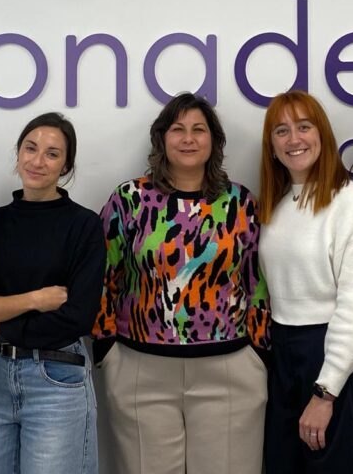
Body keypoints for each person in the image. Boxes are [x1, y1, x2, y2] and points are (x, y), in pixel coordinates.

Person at [92, 92, 270, 474]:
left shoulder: (240, 202)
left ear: (214, 140)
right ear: (162, 138)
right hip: (141, 368)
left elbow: (257, 280)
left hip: (229, 368)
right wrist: (106, 347)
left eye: (198, 130)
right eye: (178, 129)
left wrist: (260, 351)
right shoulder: (130, 199)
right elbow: (104, 274)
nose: (188, 139)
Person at [0, 112, 104, 474]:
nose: (38, 161)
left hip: (57, 379)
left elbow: (77, 317)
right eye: (30, 148)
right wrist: (36, 300)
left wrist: (3, 326)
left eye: (52, 154)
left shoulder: (83, 225)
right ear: (18, 154)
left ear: (66, 166)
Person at [257, 90, 353, 473]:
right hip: (283, 356)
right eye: (281, 131)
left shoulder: (349, 200)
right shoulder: (275, 205)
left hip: (332, 359)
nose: (294, 139)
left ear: (322, 134)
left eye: (304, 127)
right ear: (271, 146)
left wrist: (326, 391)